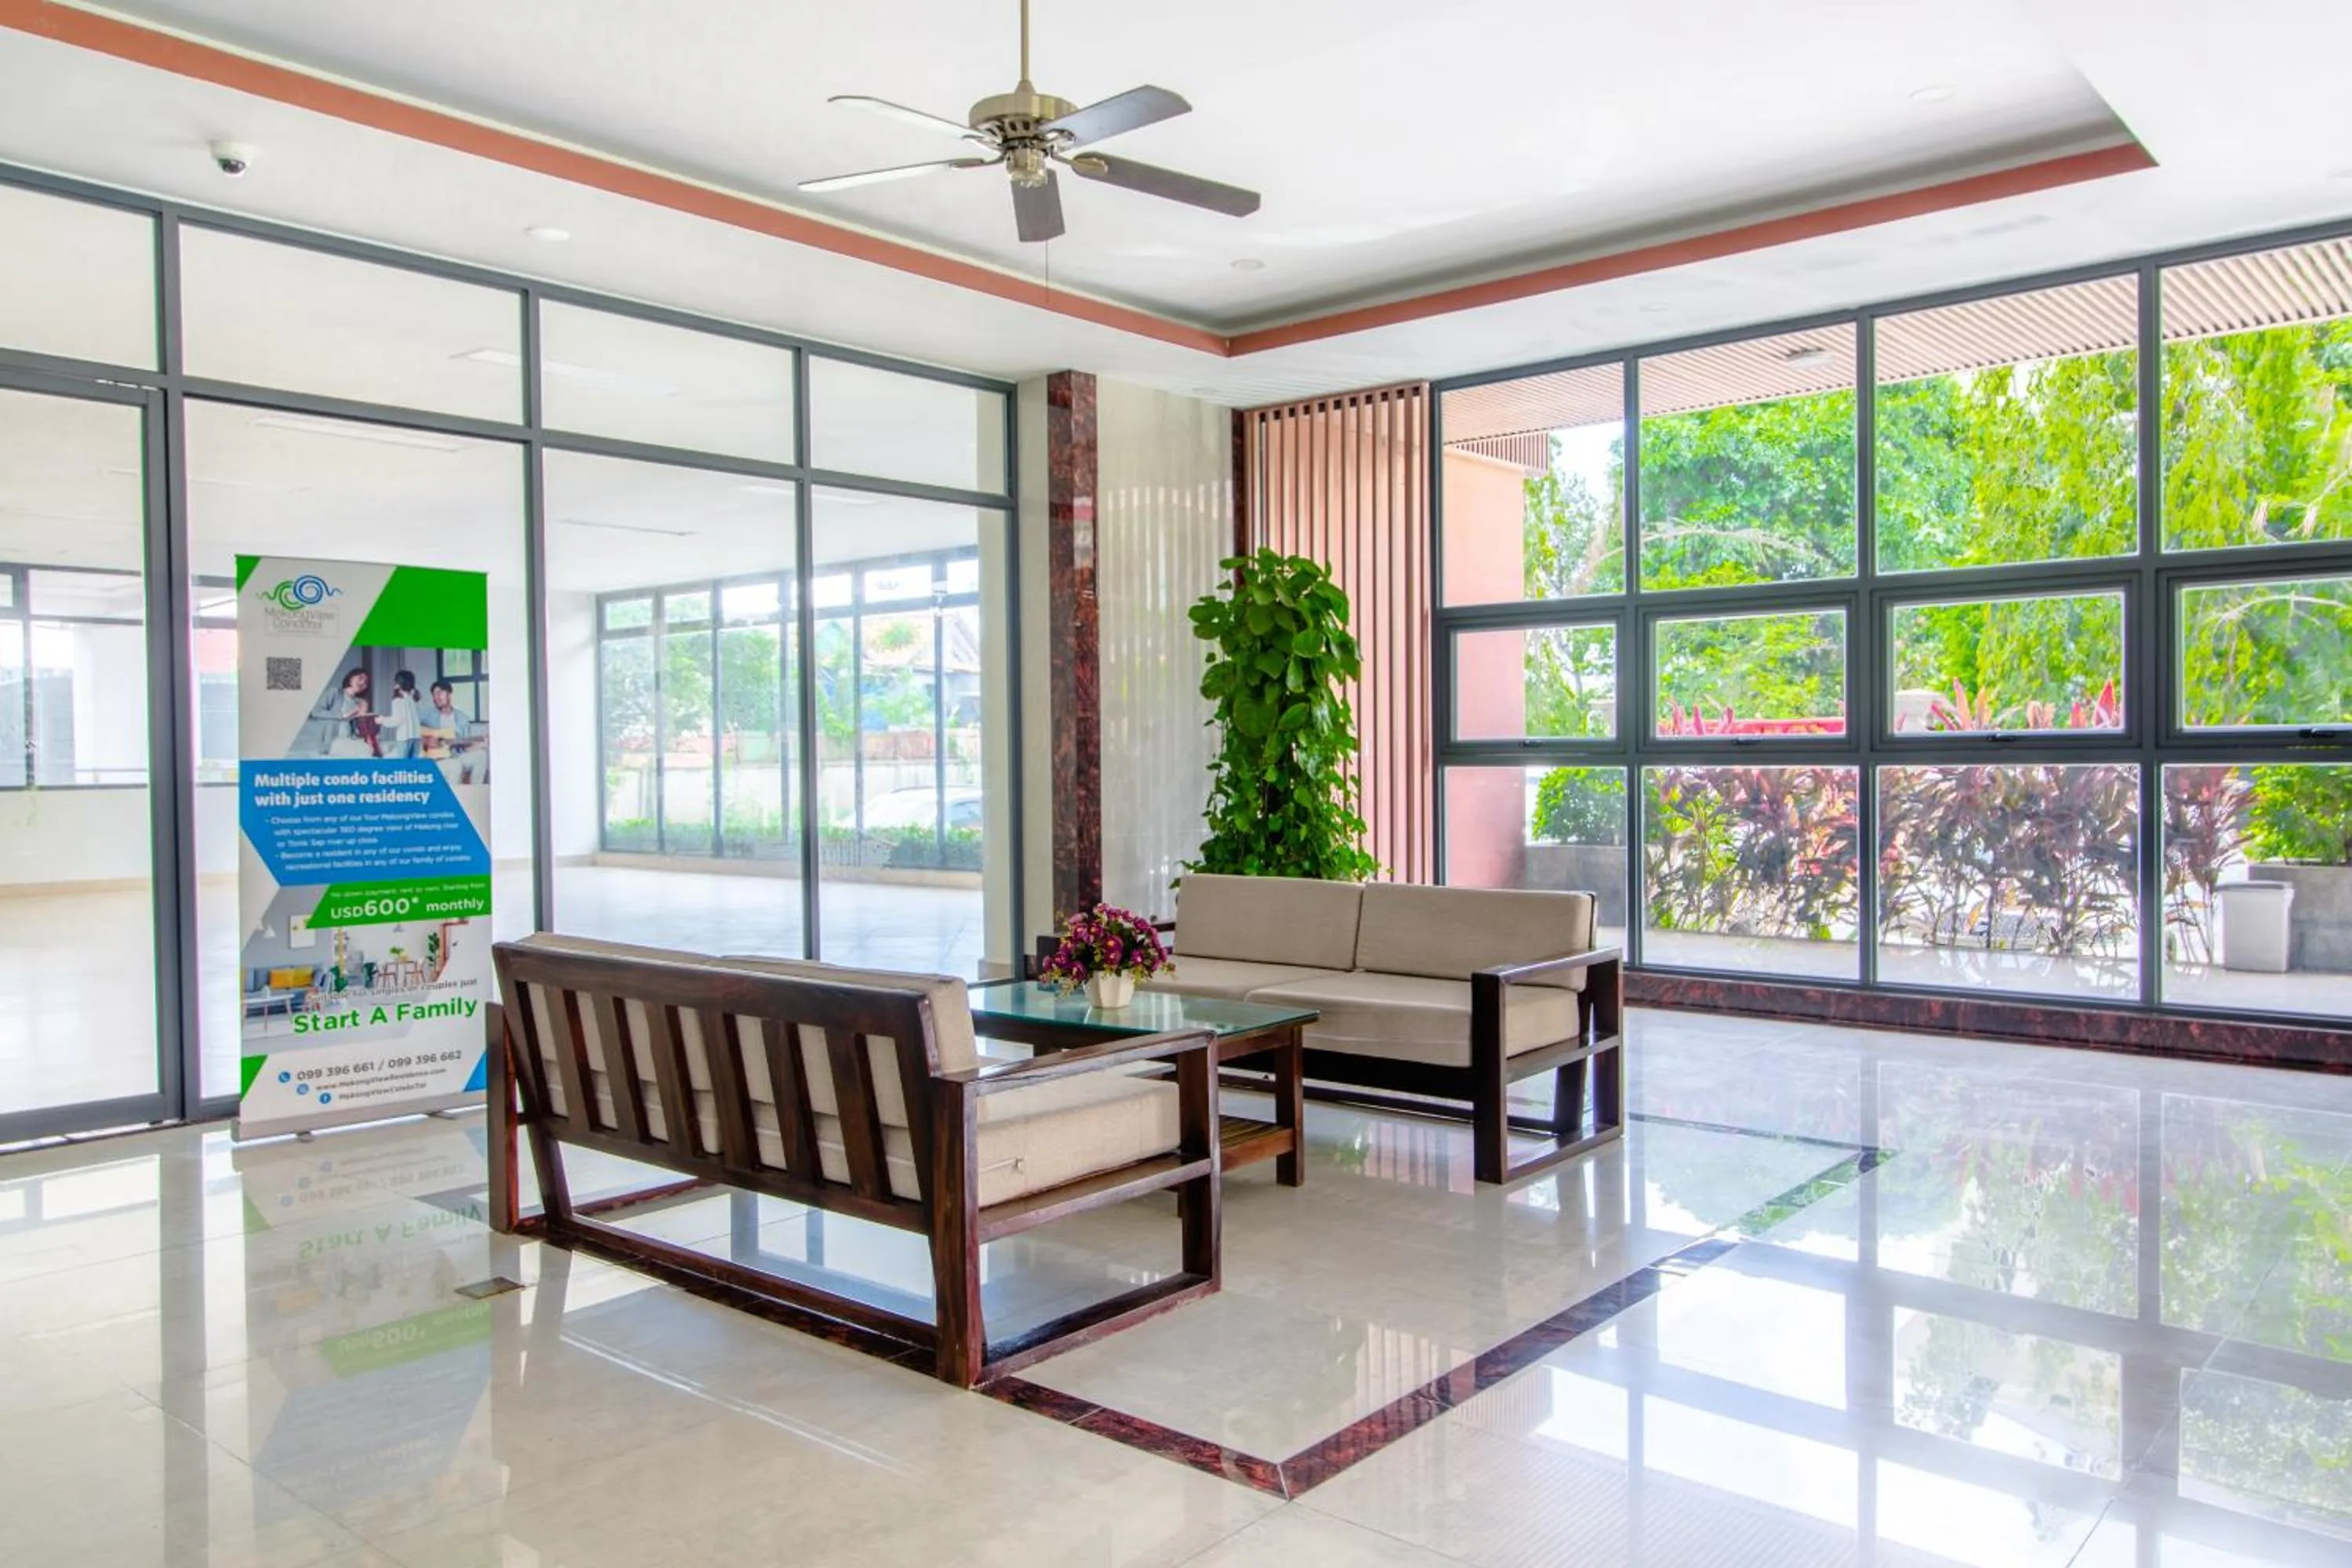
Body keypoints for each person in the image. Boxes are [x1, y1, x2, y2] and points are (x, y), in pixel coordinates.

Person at [337, 669, 379, 757]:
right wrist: (354, 711)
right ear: (350, 679)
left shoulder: (362, 702)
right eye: (360, 678)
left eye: (366, 682)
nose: (363, 682)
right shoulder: (336, 695)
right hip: (336, 739)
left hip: (353, 740)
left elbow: (360, 728)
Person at [385, 670, 423, 759]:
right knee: (414, 764)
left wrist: (382, 720)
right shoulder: (416, 700)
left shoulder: (397, 701)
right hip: (417, 737)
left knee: (403, 764)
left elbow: (397, 721)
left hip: (404, 737)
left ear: (398, 685)